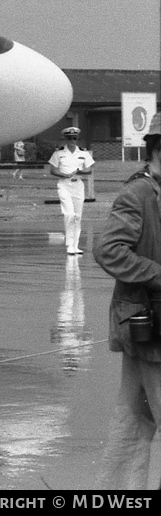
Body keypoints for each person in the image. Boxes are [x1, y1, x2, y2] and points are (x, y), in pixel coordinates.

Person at [94, 113, 161, 488]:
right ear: (157, 148)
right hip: (150, 327)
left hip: (149, 330)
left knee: (133, 424)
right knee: (134, 422)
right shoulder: (138, 194)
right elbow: (109, 250)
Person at [49, 126, 95, 256]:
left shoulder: (83, 153)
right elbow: (53, 170)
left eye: (74, 138)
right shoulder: (59, 153)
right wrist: (63, 175)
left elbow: (89, 169)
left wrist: (79, 171)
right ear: (65, 139)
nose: (72, 140)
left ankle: (75, 244)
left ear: (77, 139)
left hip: (78, 185)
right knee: (69, 214)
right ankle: (69, 244)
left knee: (77, 216)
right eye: (69, 138)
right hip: (64, 185)